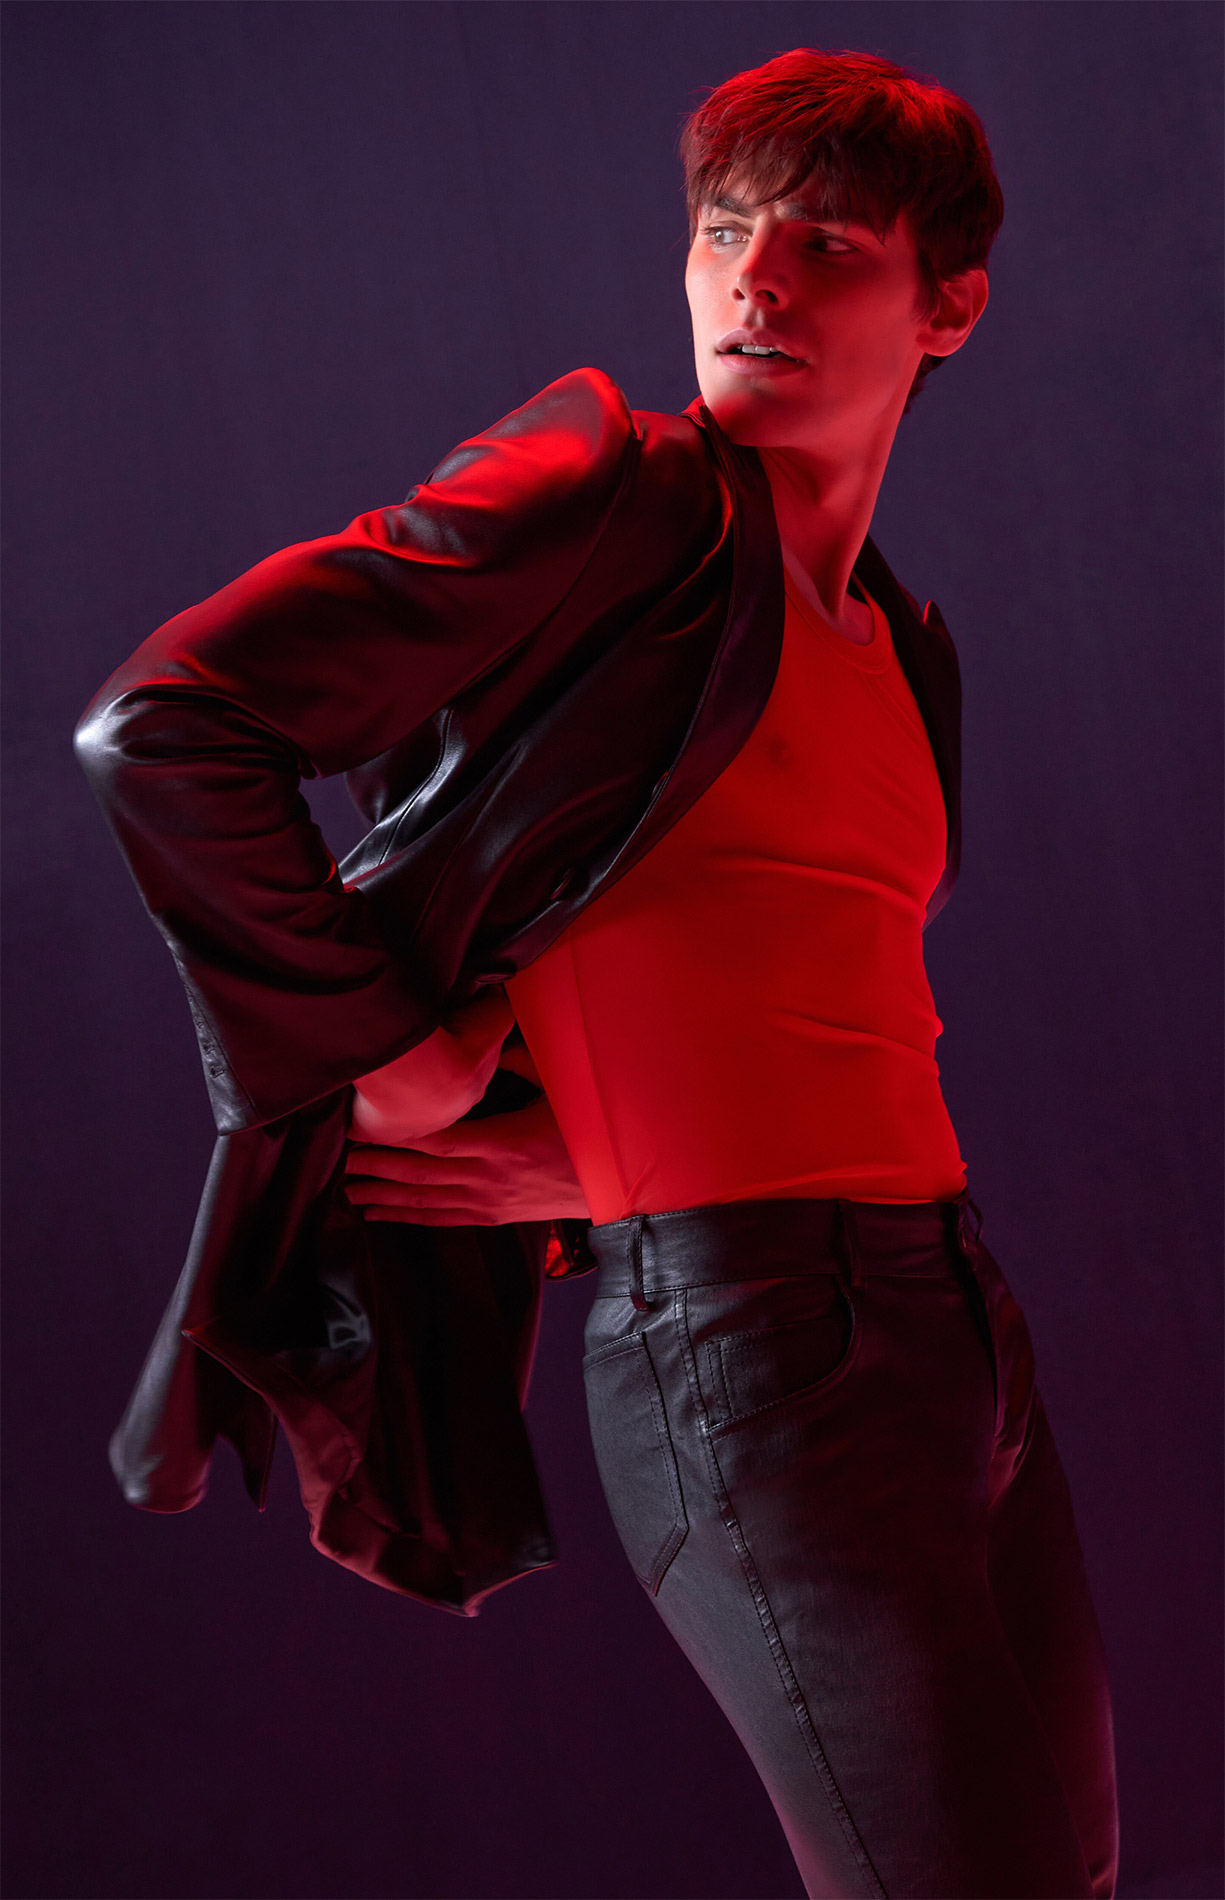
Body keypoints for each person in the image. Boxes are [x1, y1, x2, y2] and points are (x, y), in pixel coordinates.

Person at [76, 47, 1118, 1900]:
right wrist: (383, 1051)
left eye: (825, 246)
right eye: (723, 232)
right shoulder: (613, 495)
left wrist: (597, 1158)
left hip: (958, 1326)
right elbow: (163, 726)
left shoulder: (898, 643)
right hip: (759, 1361)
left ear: (945, 306)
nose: (754, 280)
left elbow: (777, 984)